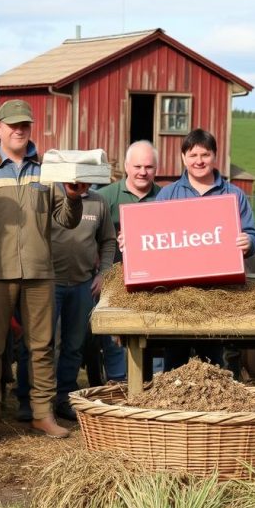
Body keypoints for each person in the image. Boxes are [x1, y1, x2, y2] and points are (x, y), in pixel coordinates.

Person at [0, 99, 87, 441]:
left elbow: (65, 220)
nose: (19, 130)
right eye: (13, 124)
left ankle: (42, 414)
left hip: (38, 272)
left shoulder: (47, 169)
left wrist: (74, 197)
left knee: (41, 346)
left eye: (25, 125)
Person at [152, 128, 255, 370]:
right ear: (183, 158)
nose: (199, 161)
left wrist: (248, 243)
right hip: (177, 292)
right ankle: (173, 404)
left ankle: (214, 406)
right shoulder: (168, 194)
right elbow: (152, 235)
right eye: (193, 155)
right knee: (175, 356)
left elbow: (252, 234)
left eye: (205, 154)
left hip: (218, 290)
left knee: (212, 356)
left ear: (215, 156)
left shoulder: (233, 194)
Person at [16, 187, 116, 421]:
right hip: (47, 283)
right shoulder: (48, 196)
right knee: (38, 343)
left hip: (83, 283)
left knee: (74, 344)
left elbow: (108, 241)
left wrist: (104, 272)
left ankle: (64, 397)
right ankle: (26, 398)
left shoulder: (98, 202)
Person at [93, 140, 162, 381]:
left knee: (155, 329)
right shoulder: (104, 198)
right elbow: (91, 239)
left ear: (157, 168)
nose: (143, 172)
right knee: (115, 331)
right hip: (114, 278)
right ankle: (118, 380)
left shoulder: (166, 197)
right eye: (137, 166)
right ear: (125, 166)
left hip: (156, 281)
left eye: (149, 167)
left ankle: (156, 380)